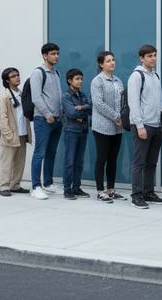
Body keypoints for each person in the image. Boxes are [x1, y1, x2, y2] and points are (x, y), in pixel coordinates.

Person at [128, 44, 162, 209]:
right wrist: (139, 125)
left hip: (156, 125)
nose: (153, 58)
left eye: (154, 55)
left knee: (152, 162)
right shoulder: (136, 76)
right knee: (139, 163)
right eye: (149, 56)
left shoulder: (155, 75)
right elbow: (133, 102)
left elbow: (159, 100)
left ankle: (148, 192)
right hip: (143, 126)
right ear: (141, 58)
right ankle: (136, 196)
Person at [90, 51, 125, 203]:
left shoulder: (118, 80)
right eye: (109, 61)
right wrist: (115, 116)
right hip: (102, 126)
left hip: (117, 127)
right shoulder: (97, 81)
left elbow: (122, 101)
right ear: (101, 64)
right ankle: (100, 190)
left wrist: (122, 117)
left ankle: (111, 189)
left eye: (113, 60)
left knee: (113, 159)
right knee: (102, 159)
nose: (112, 63)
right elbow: (98, 103)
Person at [30, 43, 63, 200]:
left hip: (57, 119)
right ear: (45, 55)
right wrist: (47, 114)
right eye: (53, 53)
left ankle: (48, 183)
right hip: (43, 119)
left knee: (51, 152)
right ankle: (36, 186)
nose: (56, 56)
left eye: (57, 53)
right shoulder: (38, 73)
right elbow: (36, 97)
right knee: (40, 153)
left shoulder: (56, 72)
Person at [0, 68, 31, 197]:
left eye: (18, 75)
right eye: (13, 76)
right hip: (10, 134)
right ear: (7, 80)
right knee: (7, 161)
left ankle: (15, 185)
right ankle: (4, 186)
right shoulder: (4, 96)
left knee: (20, 161)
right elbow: (2, 118)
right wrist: (8, 134)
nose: (17, 77)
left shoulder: (21, 94)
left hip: (22, 133)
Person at [61, 68, 91, 200]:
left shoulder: (82, 95)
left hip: (83, 130)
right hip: (71, 131)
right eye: (77, 79)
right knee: (70, 161)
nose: (80, 81)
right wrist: (78, 113)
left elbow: (91, 108)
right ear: (70, 80)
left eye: (81, 79)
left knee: (79, 162)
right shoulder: (66, 96)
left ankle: (76, 188)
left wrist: (82, 109)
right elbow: (71, 113)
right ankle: (67, 189)